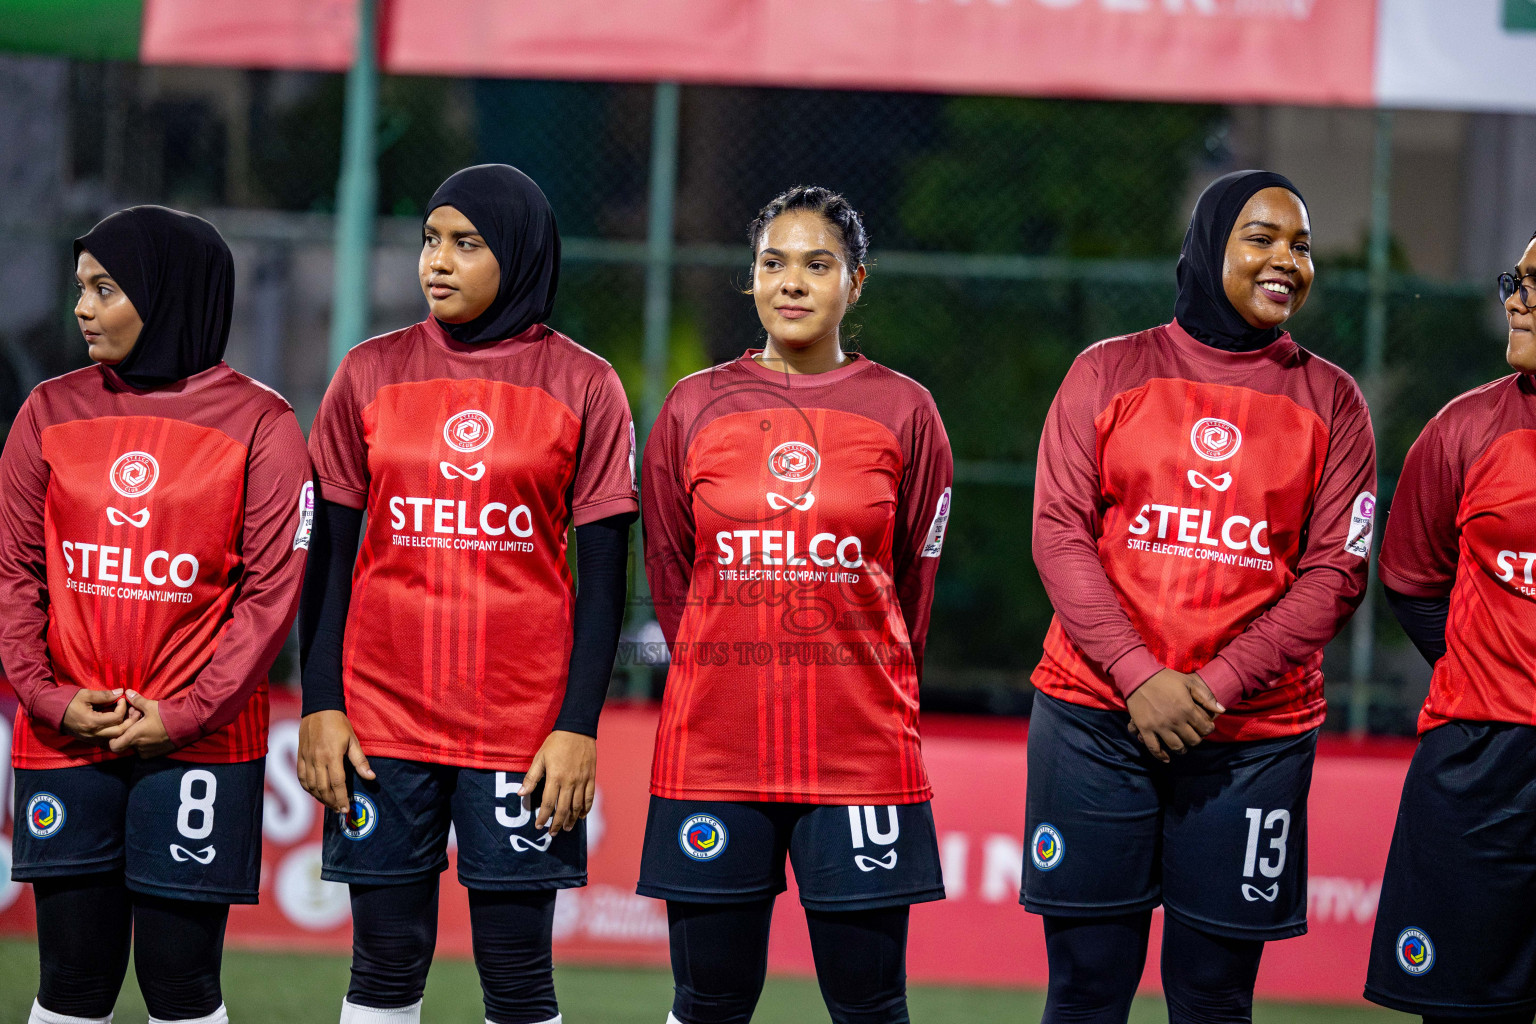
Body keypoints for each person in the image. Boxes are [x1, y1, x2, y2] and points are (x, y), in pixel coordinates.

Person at [1022, 171, 1376, 1024]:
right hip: (1096, 719)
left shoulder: (1334, 400)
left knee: (1215, 996)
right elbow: (1060, 536)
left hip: (1251, 740)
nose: (1287, 259)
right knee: (1086, 986)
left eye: (1300, 243)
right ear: (1209, 243)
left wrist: (1212, 687)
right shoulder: (1107, 371)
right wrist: (1140, 675)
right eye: (1261, 238)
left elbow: (1337, 574)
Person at [298, 164, 636, 1024]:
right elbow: (328, 564)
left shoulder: (586, 385)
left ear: (518, 254)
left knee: (518, 974)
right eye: (430, 239)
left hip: (522, 732)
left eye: (466, 243)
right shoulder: (367, 373)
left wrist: (577, 726)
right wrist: (322, 704)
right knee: (383, 963)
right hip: (382, 722)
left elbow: (604, 584)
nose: (436, 262)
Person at [640, 184, 954, 1024]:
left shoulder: (906, 410)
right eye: (773, 263)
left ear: (857, 280)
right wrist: (718, 661)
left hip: (859, 749)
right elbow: (672, 569)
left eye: (817, 264)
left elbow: (915, 579)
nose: (792, 282)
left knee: (869, 1003)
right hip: (716, 744)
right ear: (749, 280)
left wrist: (867, 675)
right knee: (708, 999)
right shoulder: (692, 406)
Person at [0, 206, 312, 1024]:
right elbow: (16, 575)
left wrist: (184, 714)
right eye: (81, 289)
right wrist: (48, 696)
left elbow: (271, 597)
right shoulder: (45, 413)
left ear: (170, 294)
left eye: (106, 289)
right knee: (70, 980)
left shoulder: (263, 425)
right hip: (66, 732)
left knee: (179, 984)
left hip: (198, 742)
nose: (83, 309)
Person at [1363, 233, 1536, 1024]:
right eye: (1516, 280)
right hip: (1479, 761)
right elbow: (1409, 577)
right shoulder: (1466, 429)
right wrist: (1482, 670)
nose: (1517, 299)